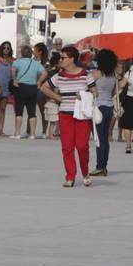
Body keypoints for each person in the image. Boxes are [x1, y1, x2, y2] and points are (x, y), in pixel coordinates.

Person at [39, 46, 96, 187]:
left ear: (72, 59)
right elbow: (43, 87)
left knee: (82, 146)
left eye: (63, 58)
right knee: (67, 147)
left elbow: (95, 92)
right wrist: (57, 97)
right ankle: (70, 176)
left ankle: (85, 172)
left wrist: (83, 95)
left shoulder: (85, 74)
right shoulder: (59, 75)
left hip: (82, 115)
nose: (61, 60)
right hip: (65, 114)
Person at [91, 48, 120, 177]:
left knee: (99, 139)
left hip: (98, 107)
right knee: (105, 139)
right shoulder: (113, 75)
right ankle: (104, 166)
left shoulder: (96, 74)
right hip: (109, 107)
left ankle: (100, 167)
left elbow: (87, 87)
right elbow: (114, 92)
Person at [10, 43, 43, 139]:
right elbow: (44, 73)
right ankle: (32, 134)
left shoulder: (17, 62)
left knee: (19, 111)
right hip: (32, 88)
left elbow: (13, 70)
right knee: (32, 112)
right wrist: (39, 82)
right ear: (31, 53)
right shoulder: (36, 63)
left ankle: (17, 133)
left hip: (21, 87)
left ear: (21, 53)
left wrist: (15, 79)